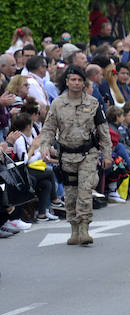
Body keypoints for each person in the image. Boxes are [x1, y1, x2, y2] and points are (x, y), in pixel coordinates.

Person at [37, 65, 113, 245]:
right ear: (67, 82)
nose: (76, 83)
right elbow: (48, 128)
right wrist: (44, 147)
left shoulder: (93, 103)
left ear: (84, 83)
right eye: (73, 80)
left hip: (88, 154)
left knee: (85, 190)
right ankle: (74, 228)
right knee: (71, 193)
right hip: (66, 155)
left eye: (80, 80)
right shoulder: (57, 104)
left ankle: (85, 227)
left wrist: (107, 154)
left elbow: (103, 131)